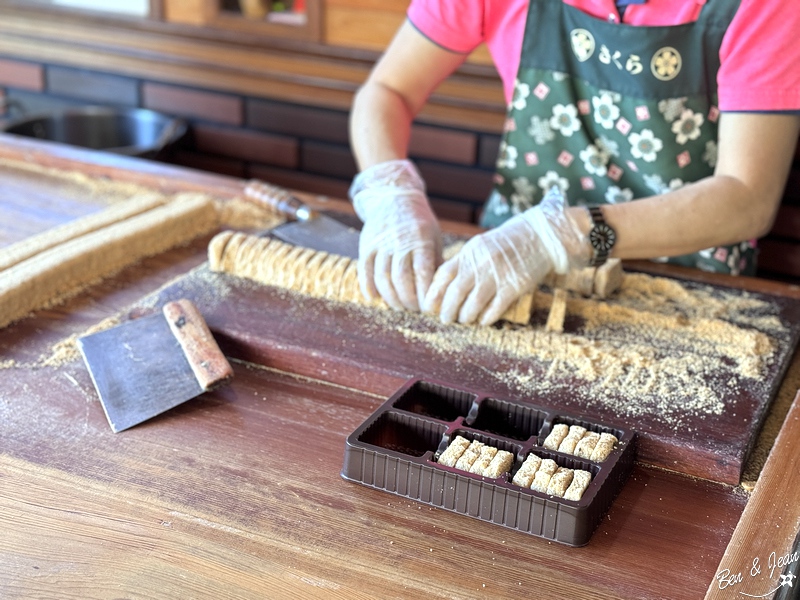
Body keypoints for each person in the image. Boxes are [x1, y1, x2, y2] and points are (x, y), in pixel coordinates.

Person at [347, 0, 800, 326]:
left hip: (688, 289)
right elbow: (387, 91)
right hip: (510, 267)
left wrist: (559, 235)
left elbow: (748, 196)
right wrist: (392, 194)